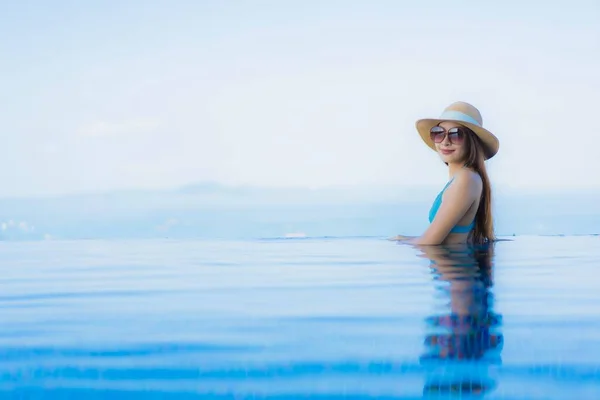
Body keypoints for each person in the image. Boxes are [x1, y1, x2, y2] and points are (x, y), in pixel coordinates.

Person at [392, 101, 500, 246]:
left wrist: (398, 243)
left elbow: (429, 243)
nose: (445, 141)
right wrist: (402, 238)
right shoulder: (466, 178)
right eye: (438, 133)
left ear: (471, 141)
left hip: (451, 266)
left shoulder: (466, 179)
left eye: (456, 135)